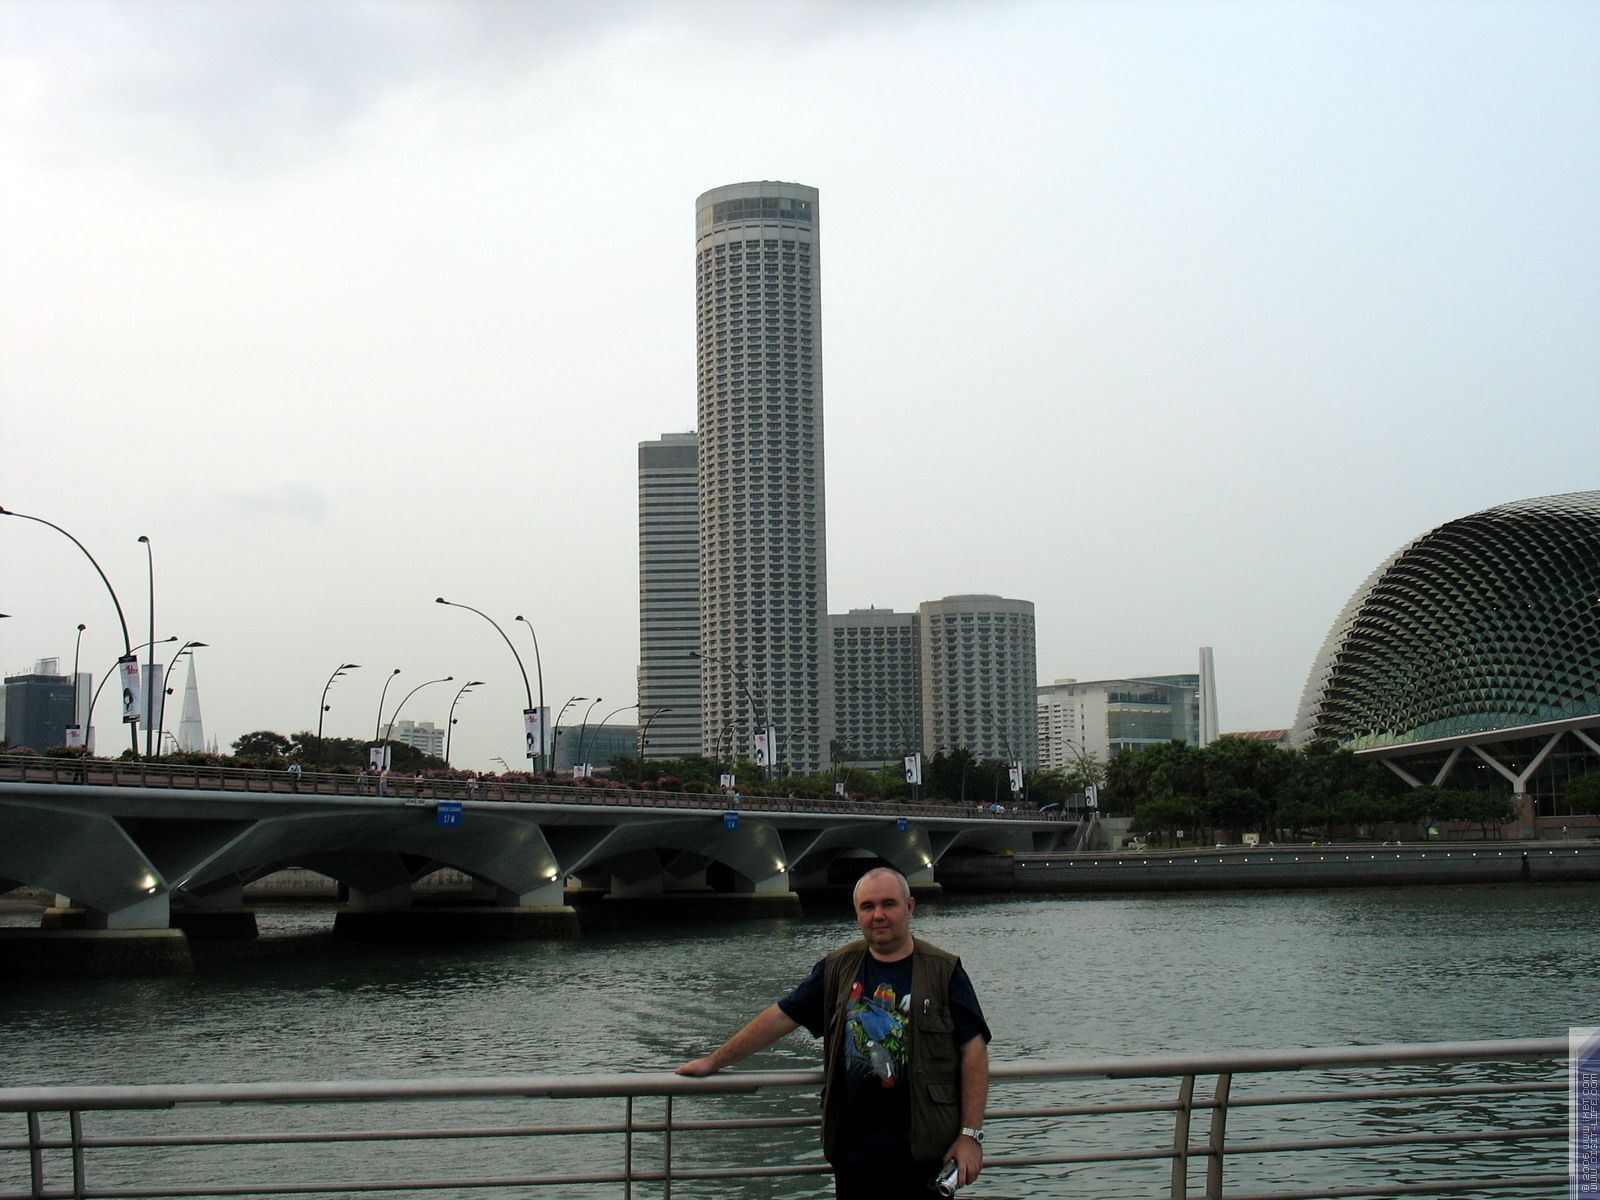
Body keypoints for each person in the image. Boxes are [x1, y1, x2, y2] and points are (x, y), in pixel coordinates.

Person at [677, 867, 990, 1198]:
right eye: (868, 907)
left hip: (925, 1157)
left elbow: (974, 1050)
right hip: (853, 1156)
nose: (878, 915)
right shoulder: (837, 968)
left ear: (909, 907)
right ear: (857, 914)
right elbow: (781, 1017)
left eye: (889, 904)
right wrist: (715, 1061)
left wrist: (970, 1136)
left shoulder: (944, 971)